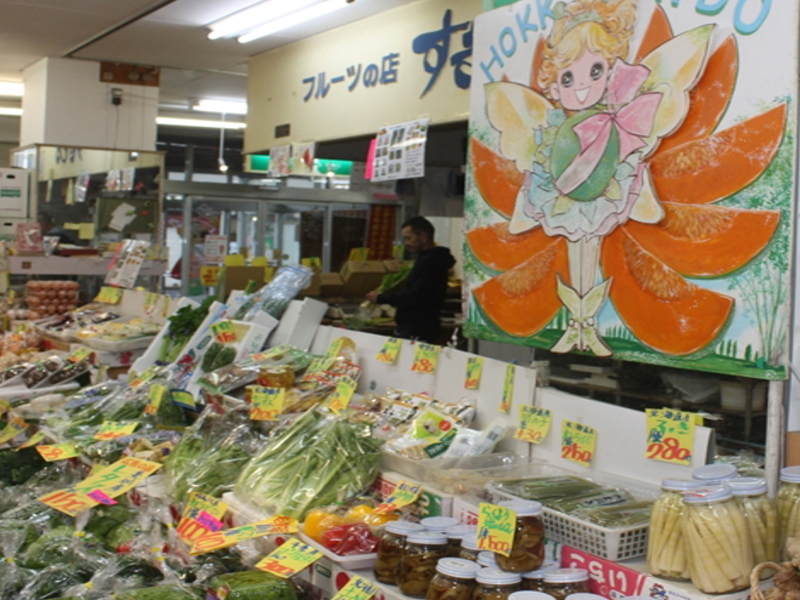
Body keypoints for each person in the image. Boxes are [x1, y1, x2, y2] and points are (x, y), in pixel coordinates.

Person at [366, 216, 455, 344]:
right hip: (414, 327)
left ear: (423, 236)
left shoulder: (431, 262)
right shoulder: (426, 259)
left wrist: (381, 298)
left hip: (419, 329)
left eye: (409, 238)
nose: (406, 243)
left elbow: (417, 294)